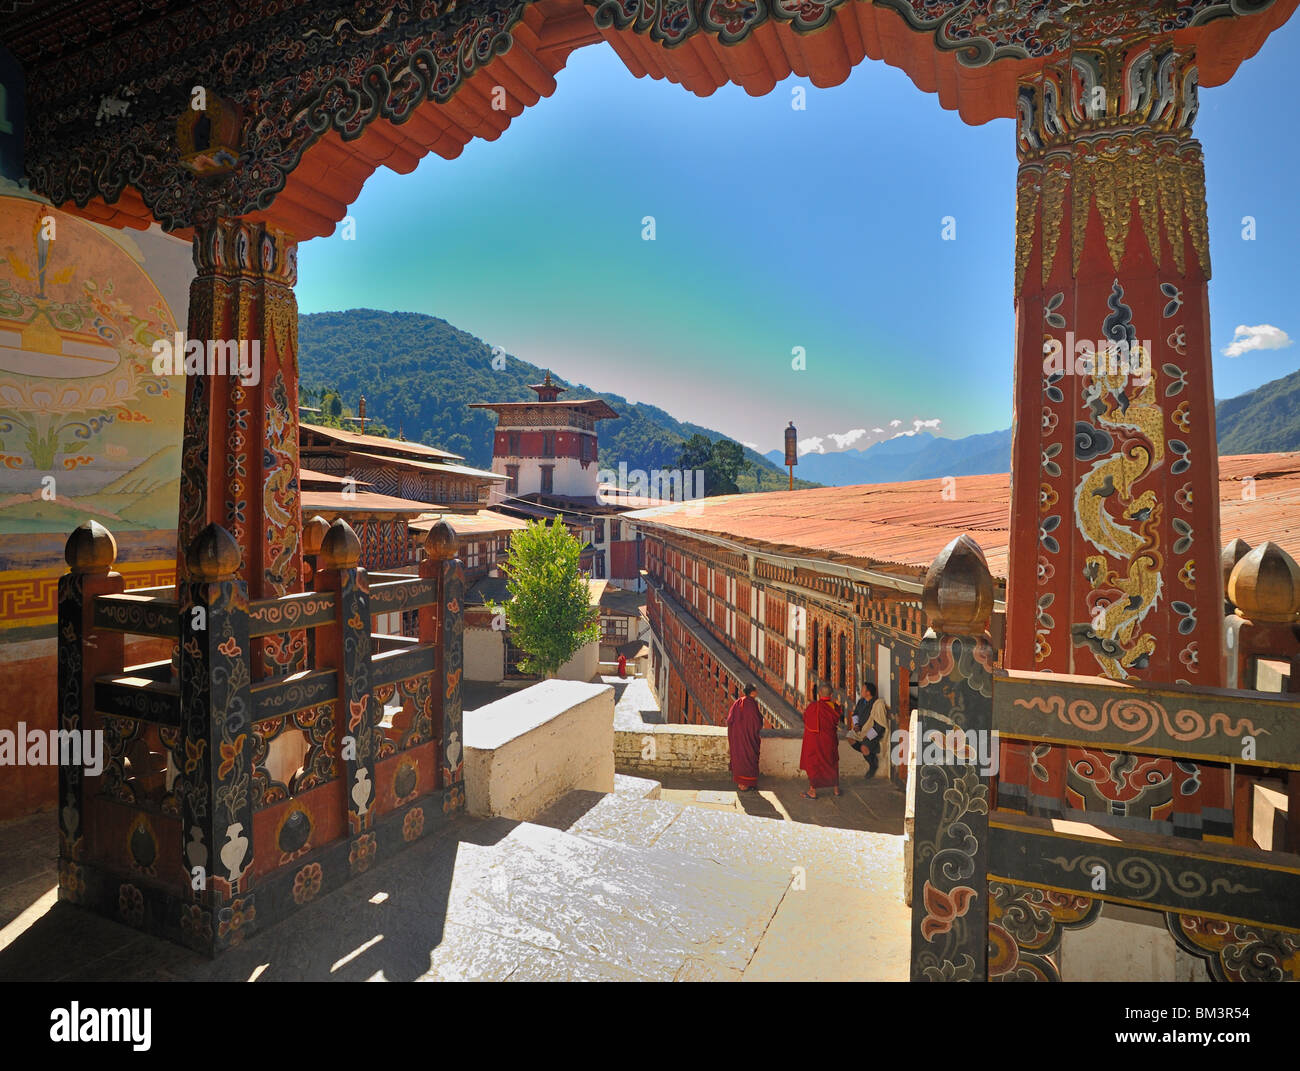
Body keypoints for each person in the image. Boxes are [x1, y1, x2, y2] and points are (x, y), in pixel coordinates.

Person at [799, 682, 843, 798]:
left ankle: (812, 791)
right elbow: (837, 716)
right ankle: (836, 790)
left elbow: (805, 718)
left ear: (819, 693)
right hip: (830, 740)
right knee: (832, 762)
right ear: (831, 694)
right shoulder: (834, 707)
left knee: (815, 764)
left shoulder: (813, 707)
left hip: (816, 741)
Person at [726, 683, 763, 792]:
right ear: (752, 692)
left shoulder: (738, 702)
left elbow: (730, 719)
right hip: (749, 737)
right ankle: (746, 784)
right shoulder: (752, 704)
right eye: (756, 690)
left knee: (740, 758)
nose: (757, 692)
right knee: (750, 758)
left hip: (738, 737)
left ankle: (742, 784)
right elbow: (757, 721)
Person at [849, 682, 889, 779]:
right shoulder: (861, 701)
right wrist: (857, 725)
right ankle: (869, 754)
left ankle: (872, 765)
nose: (861, 691)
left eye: (863, 690)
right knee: (850, 738)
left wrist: (869, 735)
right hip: (861, 730)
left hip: (874, 732)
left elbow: (879, 724)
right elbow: (855, 714)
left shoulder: (877, 704)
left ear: (868, 693)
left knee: (864, 747)